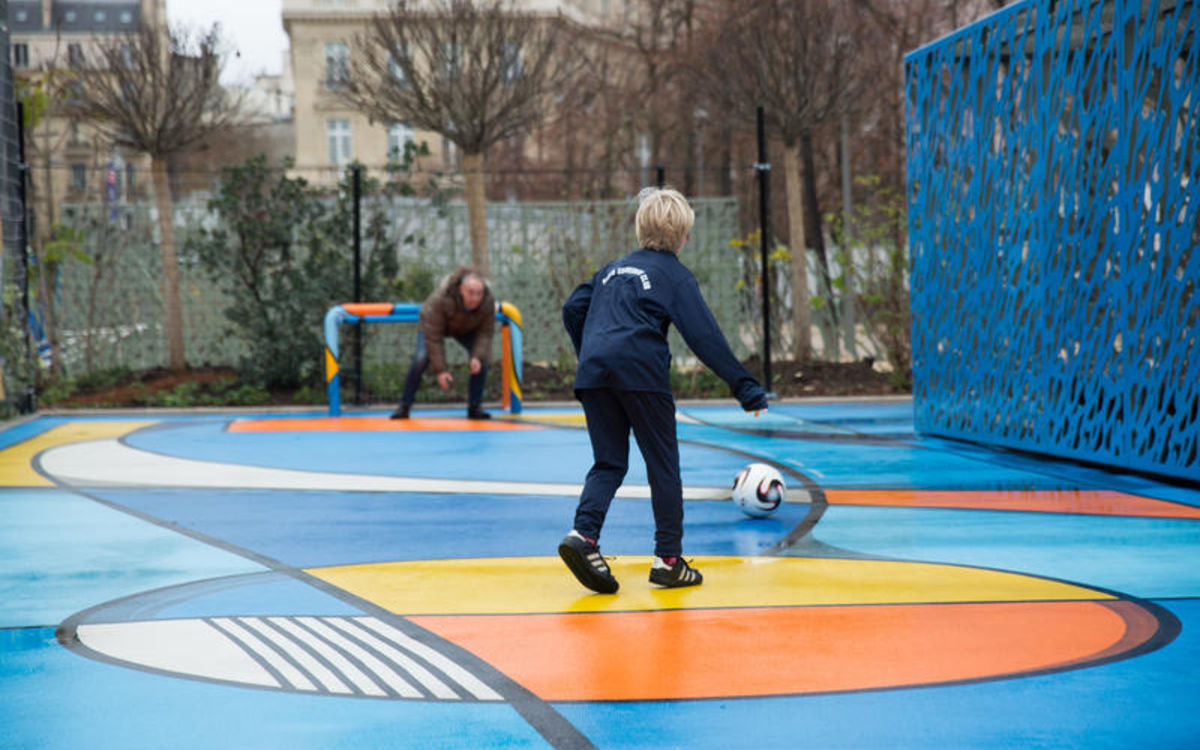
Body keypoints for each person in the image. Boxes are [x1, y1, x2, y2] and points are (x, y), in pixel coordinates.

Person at [558, 187, 769, 594]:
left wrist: (589, 352)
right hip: (641, 373)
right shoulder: (673, 275)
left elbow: (572, 308)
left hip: (595, 373)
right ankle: (668, 560)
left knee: (608, 464)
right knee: (662, 466)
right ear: (684, 237)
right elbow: (703, 335)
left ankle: (584, 537)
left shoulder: (610, 271)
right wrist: (745, 387)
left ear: (639, 229)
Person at [390, 266, 495, 420]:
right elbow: (434, 337)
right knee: (421, 358)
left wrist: (476, 357)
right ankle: (404, 406)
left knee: (481, 361)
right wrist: (441, 370)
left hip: (466, 328)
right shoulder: (440, 299)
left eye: (479, 293)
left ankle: (475, 407)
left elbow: (485, 333)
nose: (475, 298)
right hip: (433, 325)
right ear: (460, 289)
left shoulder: (488, 302)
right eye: (470, 293)